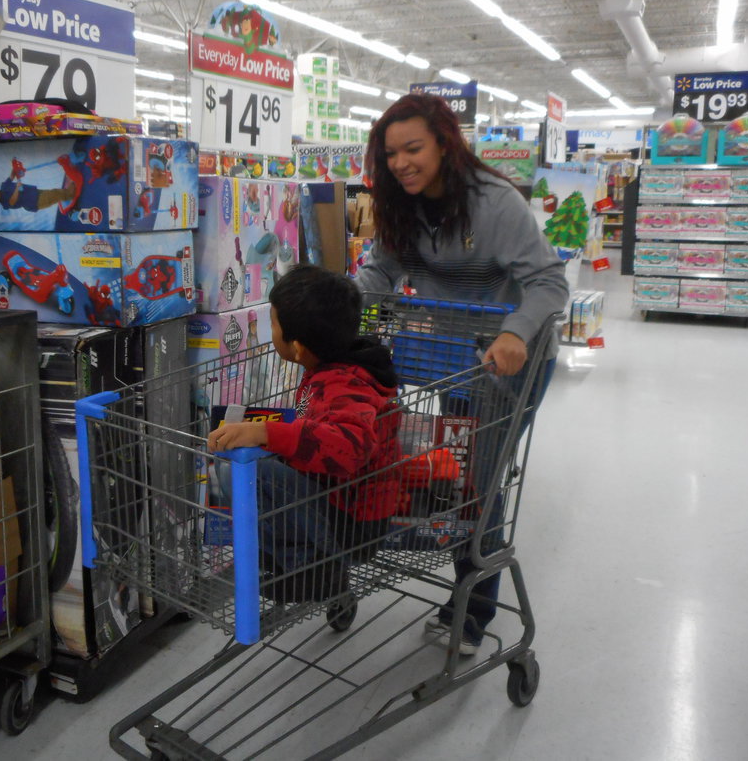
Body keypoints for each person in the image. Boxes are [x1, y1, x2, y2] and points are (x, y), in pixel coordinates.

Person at [353, 92, 568, 654]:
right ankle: (461, 578)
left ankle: (472, 609)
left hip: (510, 364)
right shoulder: (401, 205)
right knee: (460, 471)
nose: (401, 163)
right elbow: (381, 271)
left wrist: (515, 332)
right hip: (451, 361)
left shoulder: (496, 204)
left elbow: (549, 282)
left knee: (482, 480)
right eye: (391, 153)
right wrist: (333, 306)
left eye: (413, 148)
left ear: (446, 143)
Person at [207, 264, 400, 603]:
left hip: (352, 527)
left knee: (244, 471)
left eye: (274, 324)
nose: (271, 330)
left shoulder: (346, 386)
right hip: (333, 501)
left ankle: (313, 569)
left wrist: (267, 433)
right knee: (248, 465)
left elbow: (349, 447)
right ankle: (295, 559)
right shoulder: (329, 368)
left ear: (297, 348)